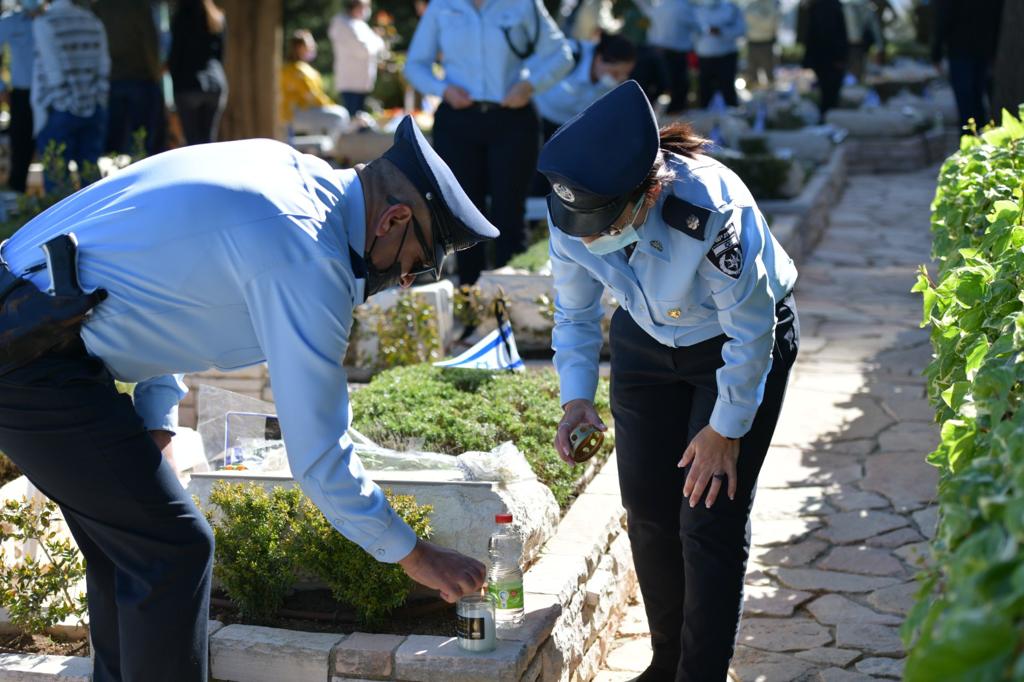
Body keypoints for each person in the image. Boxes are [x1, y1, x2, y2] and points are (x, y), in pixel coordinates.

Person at [0, 115, 494, 681]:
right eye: (415, 264)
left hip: (37, 330)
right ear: (394, 218)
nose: (403, 281)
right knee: (173, 550)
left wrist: (156, 419)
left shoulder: (283, 169)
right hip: (29, 353)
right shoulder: (309, 257)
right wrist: (415, 554)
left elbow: (177, 286)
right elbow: (318, 455)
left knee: (133, 553)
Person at [542, 81, 798, 682]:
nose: (583, 237)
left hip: (733, 350)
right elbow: (574, 314)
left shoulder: (707, 208)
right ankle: (667, 664)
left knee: (707, 518)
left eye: (598, 225)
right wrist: (575, 397)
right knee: (650, 510)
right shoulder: (574, 204)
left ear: (648, 194)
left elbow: (751, 330)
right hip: (645, 341)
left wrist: (725, 427)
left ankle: (702, 674)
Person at [404, 0, 573, 286]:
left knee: (510, 215)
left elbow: (561, 55)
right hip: (458, 120)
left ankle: (511, 301)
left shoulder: (524, 5)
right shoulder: (442, 7)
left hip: (512, 119)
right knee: (464, 217)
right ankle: (471, 302)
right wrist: (442, 89)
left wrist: (531, 85)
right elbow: (415, 65)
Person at [31, 0, 110, 189]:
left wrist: (65, 102)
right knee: (91, 178)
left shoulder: (45, 22)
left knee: (56, 181)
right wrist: (97, 99)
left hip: (59, 109)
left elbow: (52, 69)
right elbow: (104, 66)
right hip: (92, 106)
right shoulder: (92, 21)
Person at [93, 0, 165, 156]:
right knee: (142, 142)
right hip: (140, 79)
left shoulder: (100, 7)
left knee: (114, 146)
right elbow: (150, 42)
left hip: (112, 80)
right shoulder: (139, 6)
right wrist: (156, 74)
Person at [535, 33, 638, 140]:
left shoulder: (610, 84)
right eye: (615, 73)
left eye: (624, 75)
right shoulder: (568, 55)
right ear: (599, 59)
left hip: (563, 133)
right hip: (535, 118)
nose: (618, 79)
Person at [931, 0, 1004, 130]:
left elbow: (943, 16)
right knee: (978, 101)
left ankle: (972, 140)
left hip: (961, 50)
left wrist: (936, 52)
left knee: (967, 104)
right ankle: (981, 137)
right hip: (984, 49)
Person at [168, 0, 227, 145]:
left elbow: (175, 56)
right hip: (215, 84)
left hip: (188, 85)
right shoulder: (217, 18)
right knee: (208, 141)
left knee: (192, 144)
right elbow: (221, 55)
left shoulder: (181, 17)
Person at [0, 0, 41, 193]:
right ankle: (18, 198)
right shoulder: (9, 22)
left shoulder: (49, 19)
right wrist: (1, 89)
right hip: (22, 95)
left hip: (50, 93)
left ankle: (55, 198)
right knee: (20, 150)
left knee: (52, 146)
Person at [281, 29, 351, 141]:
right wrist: (331, 105)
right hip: (293, 115)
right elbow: (313, 97)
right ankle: (335, 151)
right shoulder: (299, 70)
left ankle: (321, 150)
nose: (313, 47)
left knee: (330, 113)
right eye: (310, 45)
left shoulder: (291, 68)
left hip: (294, 114)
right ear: (300, 48)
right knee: (341, 114)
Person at [633, 0, 696, 114]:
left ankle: (650, 112)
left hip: (658, 51)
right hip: (674, 54)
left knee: (662, 86)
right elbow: (698, 26)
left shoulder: (661, 6)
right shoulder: (683, 7)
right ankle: (672, 114)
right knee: (676, 87)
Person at [329, 0, 385, 117]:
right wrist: (377, 40)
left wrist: (376, 41)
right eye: (363, 7)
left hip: (362, 82)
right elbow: (364, 50)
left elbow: (375, 45)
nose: (366, 11)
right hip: (350, 82)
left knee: (359, 118)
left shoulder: (360, 24)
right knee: (352, 120)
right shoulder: (342, 24)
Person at [798, 0, 848, 122]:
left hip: (822, 58)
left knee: (827, 93)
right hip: (831, 59)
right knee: (830, 93)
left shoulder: (815, 7)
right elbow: (838, 34)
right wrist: (840, 57)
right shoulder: (831, 7)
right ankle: (828, 120)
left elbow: (810, 36)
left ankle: (827, 119)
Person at [692, 0, 745, 107]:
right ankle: (705, 116)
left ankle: (732, 116)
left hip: (727, 56)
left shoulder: (731, 9)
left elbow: (741, 30)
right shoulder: (696, 10)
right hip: (705, 57)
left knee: (728, 89)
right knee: (704, 91)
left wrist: (722, 31)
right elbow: (691, 33)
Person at [743, 0, 779, 88]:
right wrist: (761, 18)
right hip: (752, 43)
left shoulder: (772, 5)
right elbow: (746, 20)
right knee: (752, 73)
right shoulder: (751, 5)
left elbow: (771, 24)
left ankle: (771, 94)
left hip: (766, 43)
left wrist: (757, 19)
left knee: (769, 72)